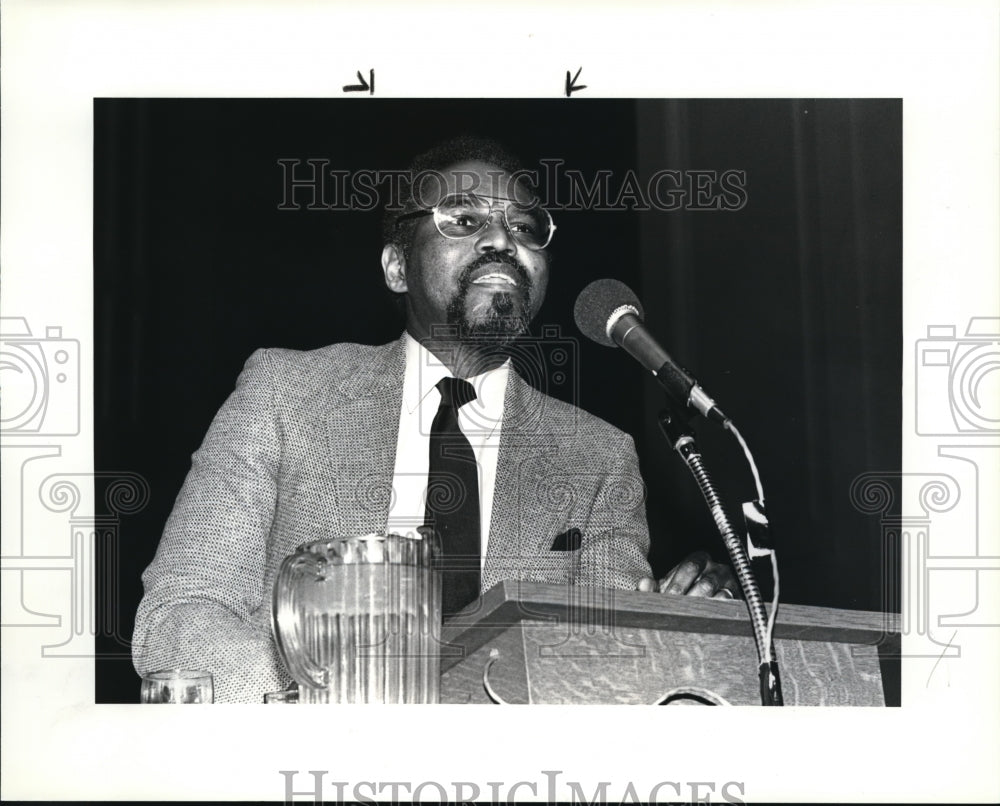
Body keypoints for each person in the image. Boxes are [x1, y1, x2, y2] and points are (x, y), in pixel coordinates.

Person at [132, 136, 738, 703]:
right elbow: (182, 609)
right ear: (397, 266)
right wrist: (322, 716)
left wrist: (678, 625)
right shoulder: (286, 394)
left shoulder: (598, 456)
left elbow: (605, 665)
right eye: (465, 220)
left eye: (524, 227)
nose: (503, 239)